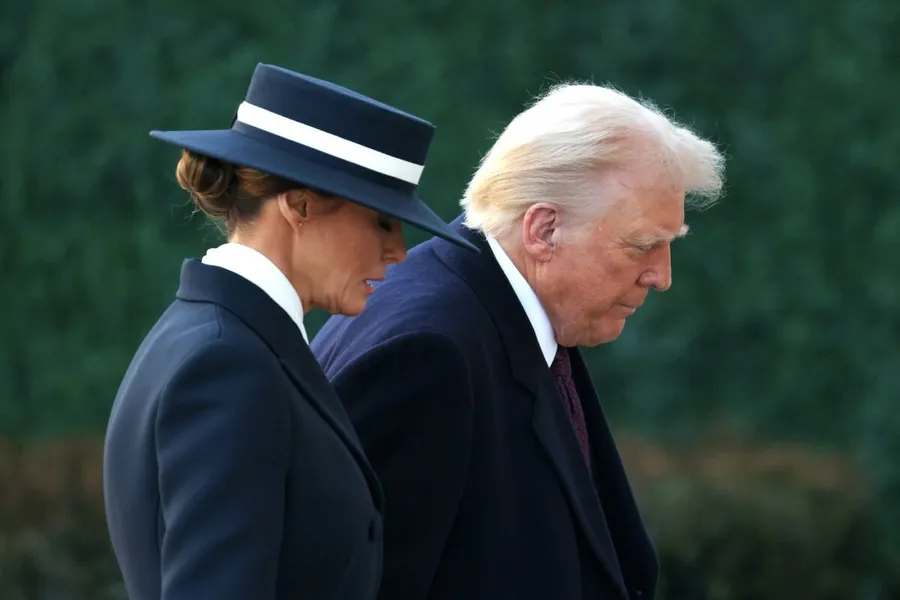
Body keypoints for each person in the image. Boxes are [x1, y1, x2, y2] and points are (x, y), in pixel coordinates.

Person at [311, 82, 726, 600]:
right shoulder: (428, 353)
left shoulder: (517, 312)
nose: (661, 276)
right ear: (543, 230)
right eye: (642, 245)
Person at [102, 62, 476, 600]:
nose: (398, 251)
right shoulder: (228, 366)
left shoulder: (224, 340)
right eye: (381, 220)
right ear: (299, 206)